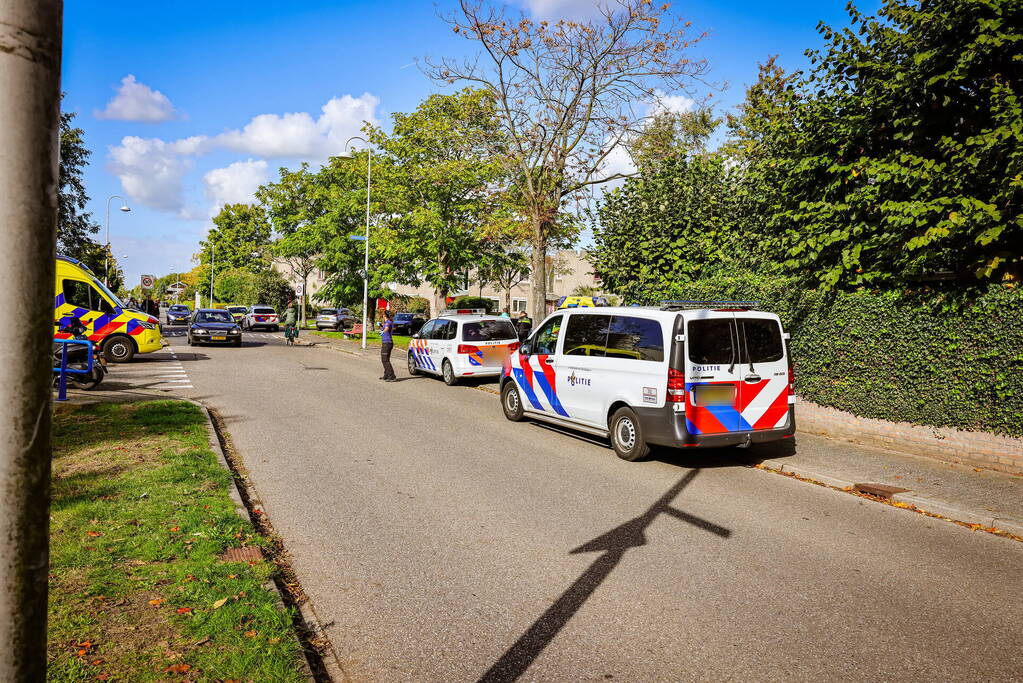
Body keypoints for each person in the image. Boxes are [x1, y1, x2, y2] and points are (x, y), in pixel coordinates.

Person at [379, 309, 396, 381]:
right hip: (387, 343)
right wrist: (380, 325)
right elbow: (385, 327)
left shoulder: (388, 322)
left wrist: (383, 331)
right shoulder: (387, 322)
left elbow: (386, 328)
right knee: (386, 359)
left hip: (387, 343)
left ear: (384, 315)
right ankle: (386, 374)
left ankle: (391, 376)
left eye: (382, 315)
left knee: (385, 360)